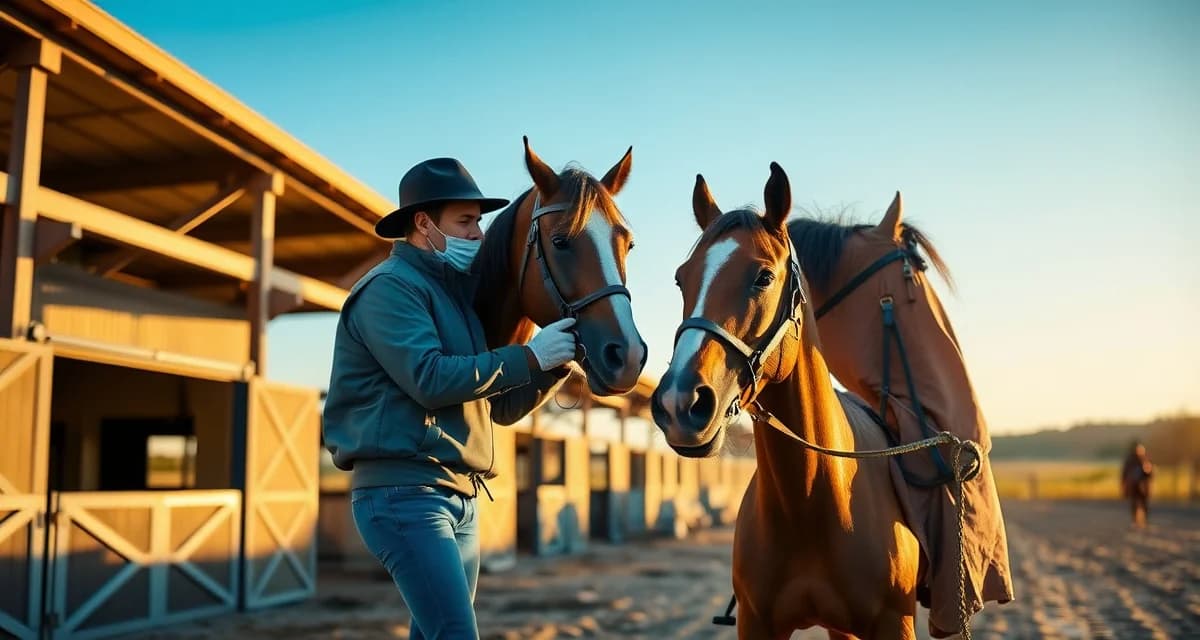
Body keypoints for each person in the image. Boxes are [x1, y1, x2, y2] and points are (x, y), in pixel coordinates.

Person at [323, 158, 577, 639]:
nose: (478, 233)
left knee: (436, 633)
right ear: (423, 223)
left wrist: (553, 367)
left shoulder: (455, 300)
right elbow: (430, 379)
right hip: (404, 496)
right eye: (465, 220)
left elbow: (496, 408)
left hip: (459, 497)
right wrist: (529, 356)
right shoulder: (390, 289)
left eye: (478, 221)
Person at [1120, 441, 1154, 529]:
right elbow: (1124, 474)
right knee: (1134, 503)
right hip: (1134, 485)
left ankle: (1144, 520)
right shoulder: (1130, 461)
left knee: (1144, 503)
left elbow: (1150, 474)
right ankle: (1135, 520)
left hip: (1143, 485)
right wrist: (1124, 485)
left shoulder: (1145, 460)